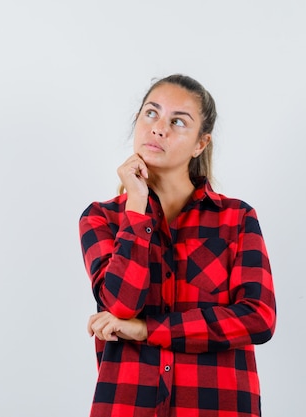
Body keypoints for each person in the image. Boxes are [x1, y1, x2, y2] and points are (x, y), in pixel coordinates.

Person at [78, 74, 276, 417]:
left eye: (178, 121)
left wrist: (147, 330)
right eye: (151, 114)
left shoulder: (236, 219)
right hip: (128, 403)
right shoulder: (102, 218)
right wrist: (135, 206)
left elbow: (258, 318)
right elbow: (121, 304)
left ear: (201, 144)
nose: (158, 129)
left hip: (216, 406)